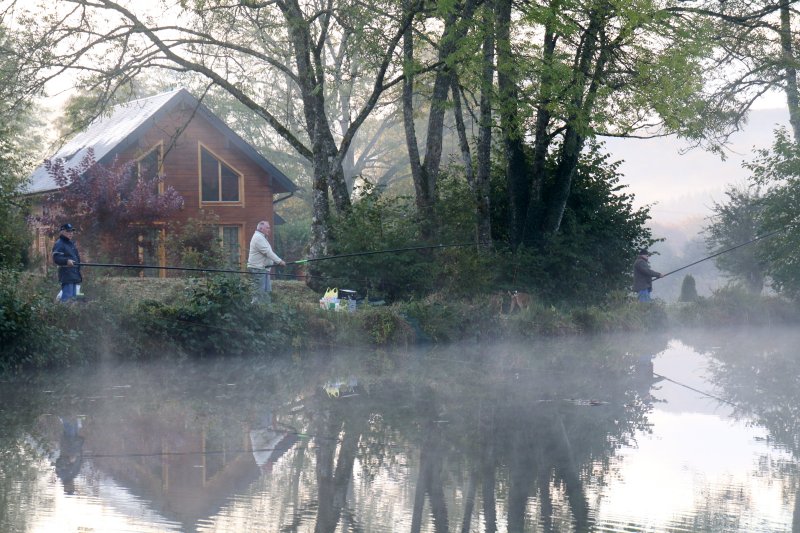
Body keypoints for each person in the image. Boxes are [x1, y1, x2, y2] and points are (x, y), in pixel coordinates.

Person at [247, 220, 286, 302]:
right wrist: (279, 261)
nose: (269, 229)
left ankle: (267, 312)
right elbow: (268, 252)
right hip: (258, 269)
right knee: (259, 294)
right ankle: (255, 311)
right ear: (261, 228)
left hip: (263, 269)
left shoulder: (261, 237)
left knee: (266, 293)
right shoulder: (258, 237)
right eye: (267, 228)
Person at [52, 223, 82, 303]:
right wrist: (66, 261)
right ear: (62, 232)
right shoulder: (59, 243)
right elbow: (56, 258)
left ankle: (71, 315)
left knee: (75, 301)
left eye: (72, 231)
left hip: (75, 276)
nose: (71, 233)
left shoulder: (71, 243)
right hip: (67, 276)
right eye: (68, 231)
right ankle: (62, 314)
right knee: (67, 301)